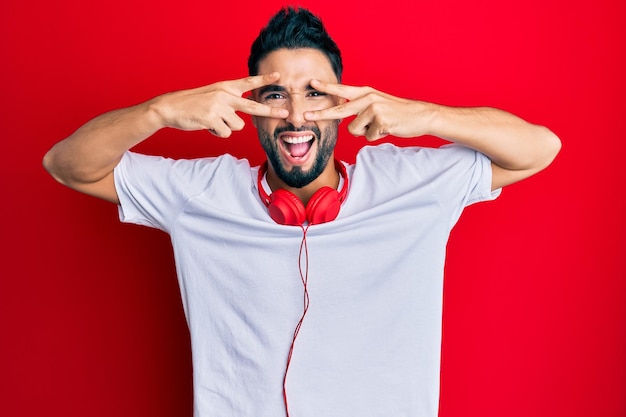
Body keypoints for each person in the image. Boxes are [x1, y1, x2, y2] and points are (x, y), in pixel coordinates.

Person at [43, 6, 561, 417]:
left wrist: (421, 114)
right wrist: (160, 111)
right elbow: (66, 165)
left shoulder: (412, 183)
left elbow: (539, 148)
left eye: (315, 93)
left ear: (347, 100)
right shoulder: (200, 193)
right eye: (275, 95)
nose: (295, 115)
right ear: (250, 106)